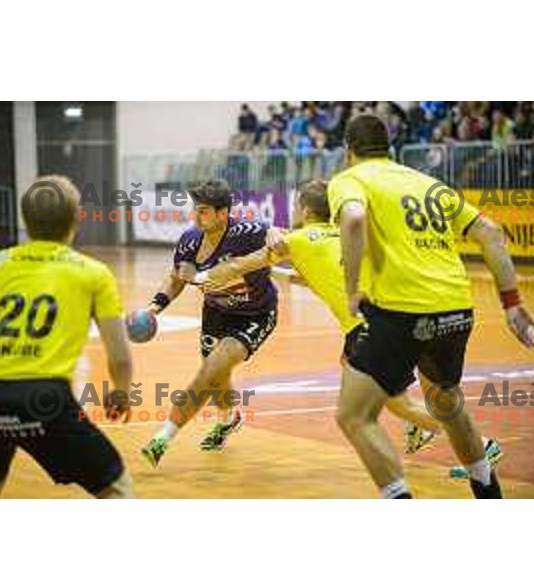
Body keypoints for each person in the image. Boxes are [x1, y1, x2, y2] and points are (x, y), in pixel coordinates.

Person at [194, 179, 503, 469]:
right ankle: (421, 425)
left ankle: (480, 445)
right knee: (350, 364)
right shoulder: (339, 234)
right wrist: (277, 271)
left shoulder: (299, 239)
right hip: (395, 313)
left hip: (369, 326)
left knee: (399, 405)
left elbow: (241, 264)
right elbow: (311, 278)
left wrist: (204, 276)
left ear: (304, 209)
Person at [330, 114, 534, 498]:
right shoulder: (426, 182)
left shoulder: (350, 180)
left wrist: (351, 289)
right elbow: (491, 233)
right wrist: (511, 303)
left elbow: (355, 218)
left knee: (353, 415)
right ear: (390, 149)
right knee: (445, 400)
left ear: (349, 151)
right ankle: (488, 492)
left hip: (403, 310)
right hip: (457, 309)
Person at [0, 176, 134, 499]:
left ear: (25, 221)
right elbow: (121, 356)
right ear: (76, 219)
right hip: (45, 400)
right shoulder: (93, 273)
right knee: (117, 488)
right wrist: (122, 392)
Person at [140, 179, 278, 466]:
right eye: (196, 210)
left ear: (222, 213)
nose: (196, 216)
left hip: (254, 314)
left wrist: (274, 235)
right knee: (216, 380)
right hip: (215, 313)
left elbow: (279, 237)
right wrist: (155, 306)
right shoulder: (190, 239)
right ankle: (229, 418)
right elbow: (177, 277)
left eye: (203, 211)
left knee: (211, 368)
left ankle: (162, 438)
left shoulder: (247, 233)